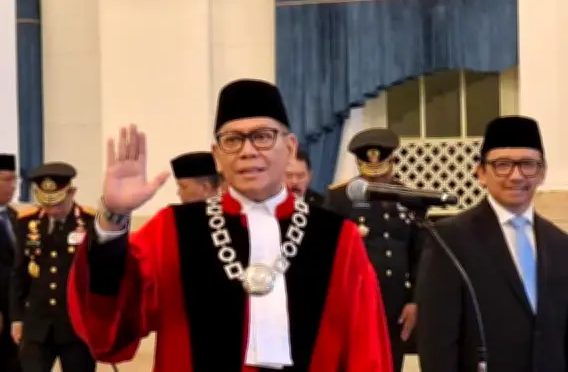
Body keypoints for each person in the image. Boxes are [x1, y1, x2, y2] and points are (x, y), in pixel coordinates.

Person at [67, 79, 392, 372]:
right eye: (233, 140)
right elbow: (111, 322)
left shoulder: (337, 237)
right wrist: (113, 217)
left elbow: (367, 349)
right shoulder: (173, 229)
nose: (248, 151)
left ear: (290, 147)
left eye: (263, 137)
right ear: (217, 155)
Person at [416, 116, 568, 372]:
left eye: (528, 165)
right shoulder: (450, 239)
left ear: (543, 173)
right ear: (481, 173)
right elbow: (436, 338)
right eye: (502, 165)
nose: (516, 176)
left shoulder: (563, 245)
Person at [325, 128, 423, 372]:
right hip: (353, 300)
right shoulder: (339, 198)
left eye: (381, 175)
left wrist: (415, 301)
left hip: (396, 302)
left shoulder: (410, 198)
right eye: (370, 176)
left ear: (393, 162)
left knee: (391, 363)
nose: (376, 183)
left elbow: (420, 255)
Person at [10, 162, 96, 372]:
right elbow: (19, 273)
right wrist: (17, 318)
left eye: (58, 203)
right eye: (47, 204)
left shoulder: (90, 221)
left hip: (76, 326)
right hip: (37, 324)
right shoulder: (27, 222)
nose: (53, 210)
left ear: (71, 193)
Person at [0, 153, 21, 372]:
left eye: (14, 179)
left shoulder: (16, 218)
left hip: (15, 310)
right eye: (6, 180)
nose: (13, 186)